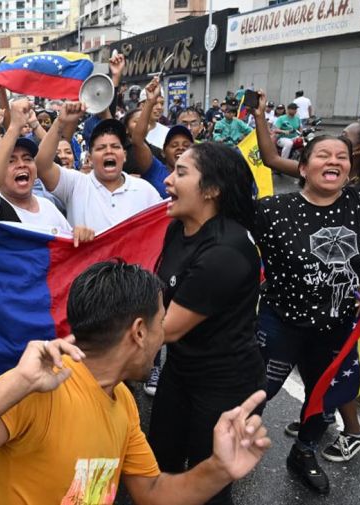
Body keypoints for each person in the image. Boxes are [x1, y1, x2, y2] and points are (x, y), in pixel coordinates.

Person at [0, 260, 272, 505]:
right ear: (139, 332)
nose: (165, 336)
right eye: (161, 322)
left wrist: (219, 468)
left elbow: (153, 491)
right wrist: (16, 381)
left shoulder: (123, 402)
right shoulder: (40, 390)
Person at [150, 141, 265, 505]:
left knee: (208, 483)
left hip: (224, 386)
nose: (168, 181)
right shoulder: (179, 225)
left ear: (212, 189)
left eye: (181, 173)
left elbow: (166, 329)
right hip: (181, 371)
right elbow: (159, 290)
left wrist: (94, 342)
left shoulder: (224, 252)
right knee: (161, 464)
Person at [254, 134, 360, 495]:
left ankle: (303, 452)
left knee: (323, 397)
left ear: (350, 168)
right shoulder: (272, 210)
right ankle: (231, 450)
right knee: (257, 391)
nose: (334, 161)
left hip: (337, 327)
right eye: (323, 155)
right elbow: (229, 241)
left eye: (342, 156)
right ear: (303, 167)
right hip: (280, 323)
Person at [35, 101, 161, 240]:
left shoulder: (146, 191)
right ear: (89, 157)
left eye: (115, 146)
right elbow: (41, 166)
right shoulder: (75, 184)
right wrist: (60, 122)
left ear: (124, 155)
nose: (109, 151)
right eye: (101, 148)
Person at [0, 97, 71, 237]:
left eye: (28, 159)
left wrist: (80, 235)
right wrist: (14, 127)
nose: (21, 165)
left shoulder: (49, 207)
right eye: (11, 161)